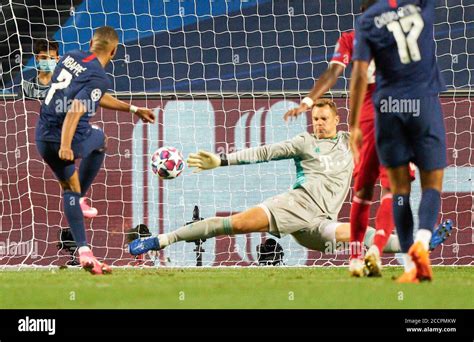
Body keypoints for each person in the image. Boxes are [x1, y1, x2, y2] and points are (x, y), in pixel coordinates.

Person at [128, 100, 450, 260]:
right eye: (316, 119)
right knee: (235, 224)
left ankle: (417, 246)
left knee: (360, 235)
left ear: (337, 119)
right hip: (294, 205)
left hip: (318, 224)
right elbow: (263, 152)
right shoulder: (303, 142)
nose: (319, 123)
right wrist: (221, 160)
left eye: (325, 118)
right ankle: (160, 240)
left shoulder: (354, 146)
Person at [284, 0, 417, 277]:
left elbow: (334, 73)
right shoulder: (403, 38)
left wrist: (308, 101)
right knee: (392, 191)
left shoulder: (350, 39)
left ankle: (356, 257)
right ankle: (377, 250)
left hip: (366, 122)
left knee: (363, 192)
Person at [35, 26, 155, 275]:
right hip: (66, 137)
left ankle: (84, 252)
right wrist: (67, 145)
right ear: (114, 51)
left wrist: (133, 109)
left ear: (91, 42)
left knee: (69, 188)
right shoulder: (99, 77)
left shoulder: (71, 57)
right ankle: (79, 199)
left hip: (43, 136)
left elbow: (94, 97)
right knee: (100, 139)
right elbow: (78, 108)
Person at [350, 0, 447, 283]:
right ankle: (422, 239)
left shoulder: (368, 20)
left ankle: (410, 269)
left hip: (388, 107)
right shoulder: (422, 8)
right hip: (423, 103)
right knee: (432, 183)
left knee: (397, 188)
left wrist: (353, 124)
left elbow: (358, 73)